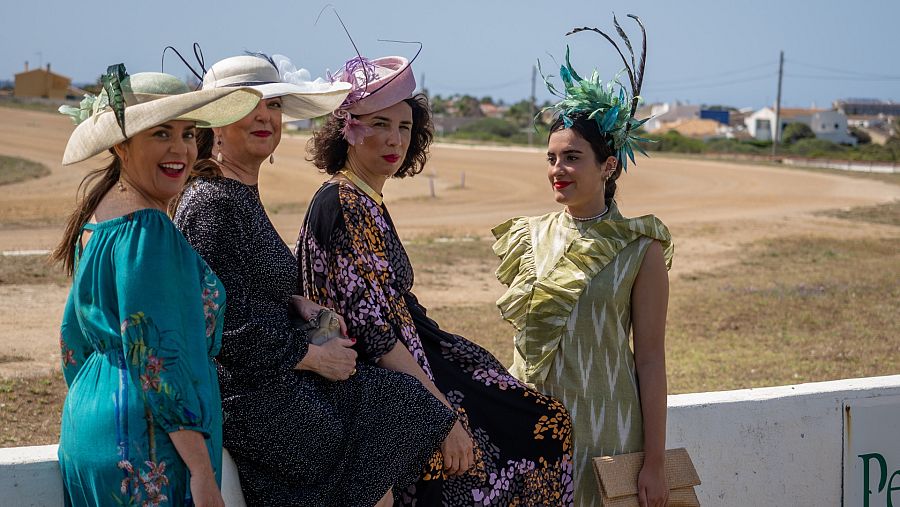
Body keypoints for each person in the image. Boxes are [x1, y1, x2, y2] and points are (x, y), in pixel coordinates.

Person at [173, 53, 456, 507]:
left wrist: (296, 303)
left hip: (274, 380)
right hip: (251, 395)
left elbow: (248, 285)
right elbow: (222, 326)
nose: (266, 116)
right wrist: (314, 358)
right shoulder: (212, 202)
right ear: (216, 124)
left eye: (275, 106)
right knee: (404, 409)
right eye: (248, 106)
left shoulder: (239, 191)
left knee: (399, 416)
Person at [298, 53, 574, 506]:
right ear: (347, 129)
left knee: (538, 419)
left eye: (404, 127)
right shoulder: (344, 204)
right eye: (379, 123)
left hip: (406, 364)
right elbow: (374, 334)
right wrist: (443, 416)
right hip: (378, 384)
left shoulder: (363, 198)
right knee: (532, 432)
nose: (394, 139)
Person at [53, 65, 261, 506]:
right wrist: (203, 473)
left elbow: (73, 342)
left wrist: (98, 401)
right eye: (161, 133)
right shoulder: (148, 229)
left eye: (188, 134)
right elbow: (159, 360)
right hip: (146, 443)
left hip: (88, 426)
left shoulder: (97, 221)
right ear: (121, 145)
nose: (181, 149)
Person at [492, 17, 674, 507]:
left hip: (607, 436)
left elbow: (651, 359)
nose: (557, 171)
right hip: (531, 433)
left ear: (608, 165)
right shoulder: (526, 237)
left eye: (572, 158)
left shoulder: (641, 249)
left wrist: (653, 463)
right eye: (551, 158)